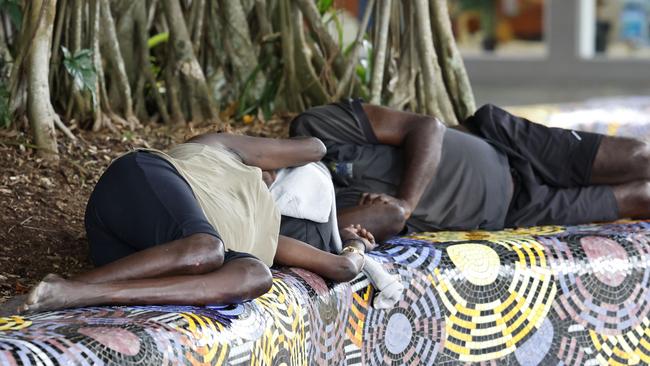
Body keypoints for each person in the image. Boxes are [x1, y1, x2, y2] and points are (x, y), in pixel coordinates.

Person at [13, 133, 376, 314]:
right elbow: (316, 148)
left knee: (257, 275)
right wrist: (267, 154)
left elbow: (341, 266)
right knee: (206, 248)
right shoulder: (222, 147)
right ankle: (64, 287)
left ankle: (76, 293)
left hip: (135, 256)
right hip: (133, 189)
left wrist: (356, 244)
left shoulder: (270, 232)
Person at [290, 99, 650, 240]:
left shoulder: (316, 129)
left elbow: (426, 127)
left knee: (638, 157)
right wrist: (396, 213)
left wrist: (406, 201)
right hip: (512, 213)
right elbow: (387, 222)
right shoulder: (305, 221)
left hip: (505, 144)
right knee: (639, 198)